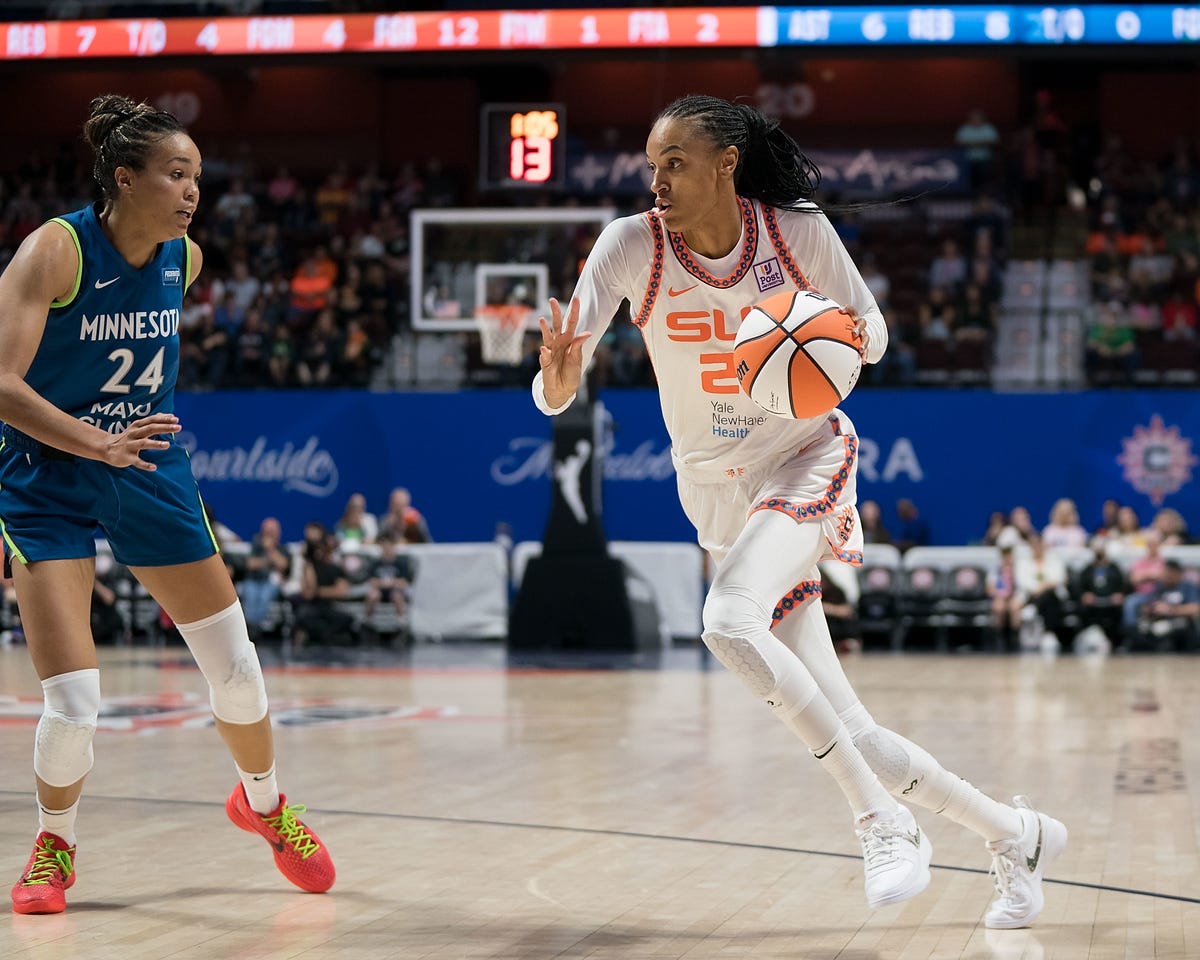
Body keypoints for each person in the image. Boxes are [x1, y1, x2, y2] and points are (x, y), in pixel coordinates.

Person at [532, 94, 1065, 927]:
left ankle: (878, 822)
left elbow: (878, 335)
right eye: (651, 164)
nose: (658, 178)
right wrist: (558, 378)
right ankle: (1015, 835)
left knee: (726, 620)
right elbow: (553, 391)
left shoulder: (796, 231)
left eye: (674, 161)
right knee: (850, 725)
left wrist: (841, 333)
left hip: (805, 456)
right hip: (714, 491)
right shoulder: (630, 246)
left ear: (724, 164)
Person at [0, 96, 334, 915]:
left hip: (146, 466)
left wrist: (118, 447)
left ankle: (263, 805)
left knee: (238, 669)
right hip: (47, 473)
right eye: (175, 174)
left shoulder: (184, 259)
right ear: (124, 177)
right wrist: (93, 441)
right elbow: (1, 385)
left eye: (196, 176)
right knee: (74, 701)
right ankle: (55, 847)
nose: (192, 191)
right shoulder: (55, 251)